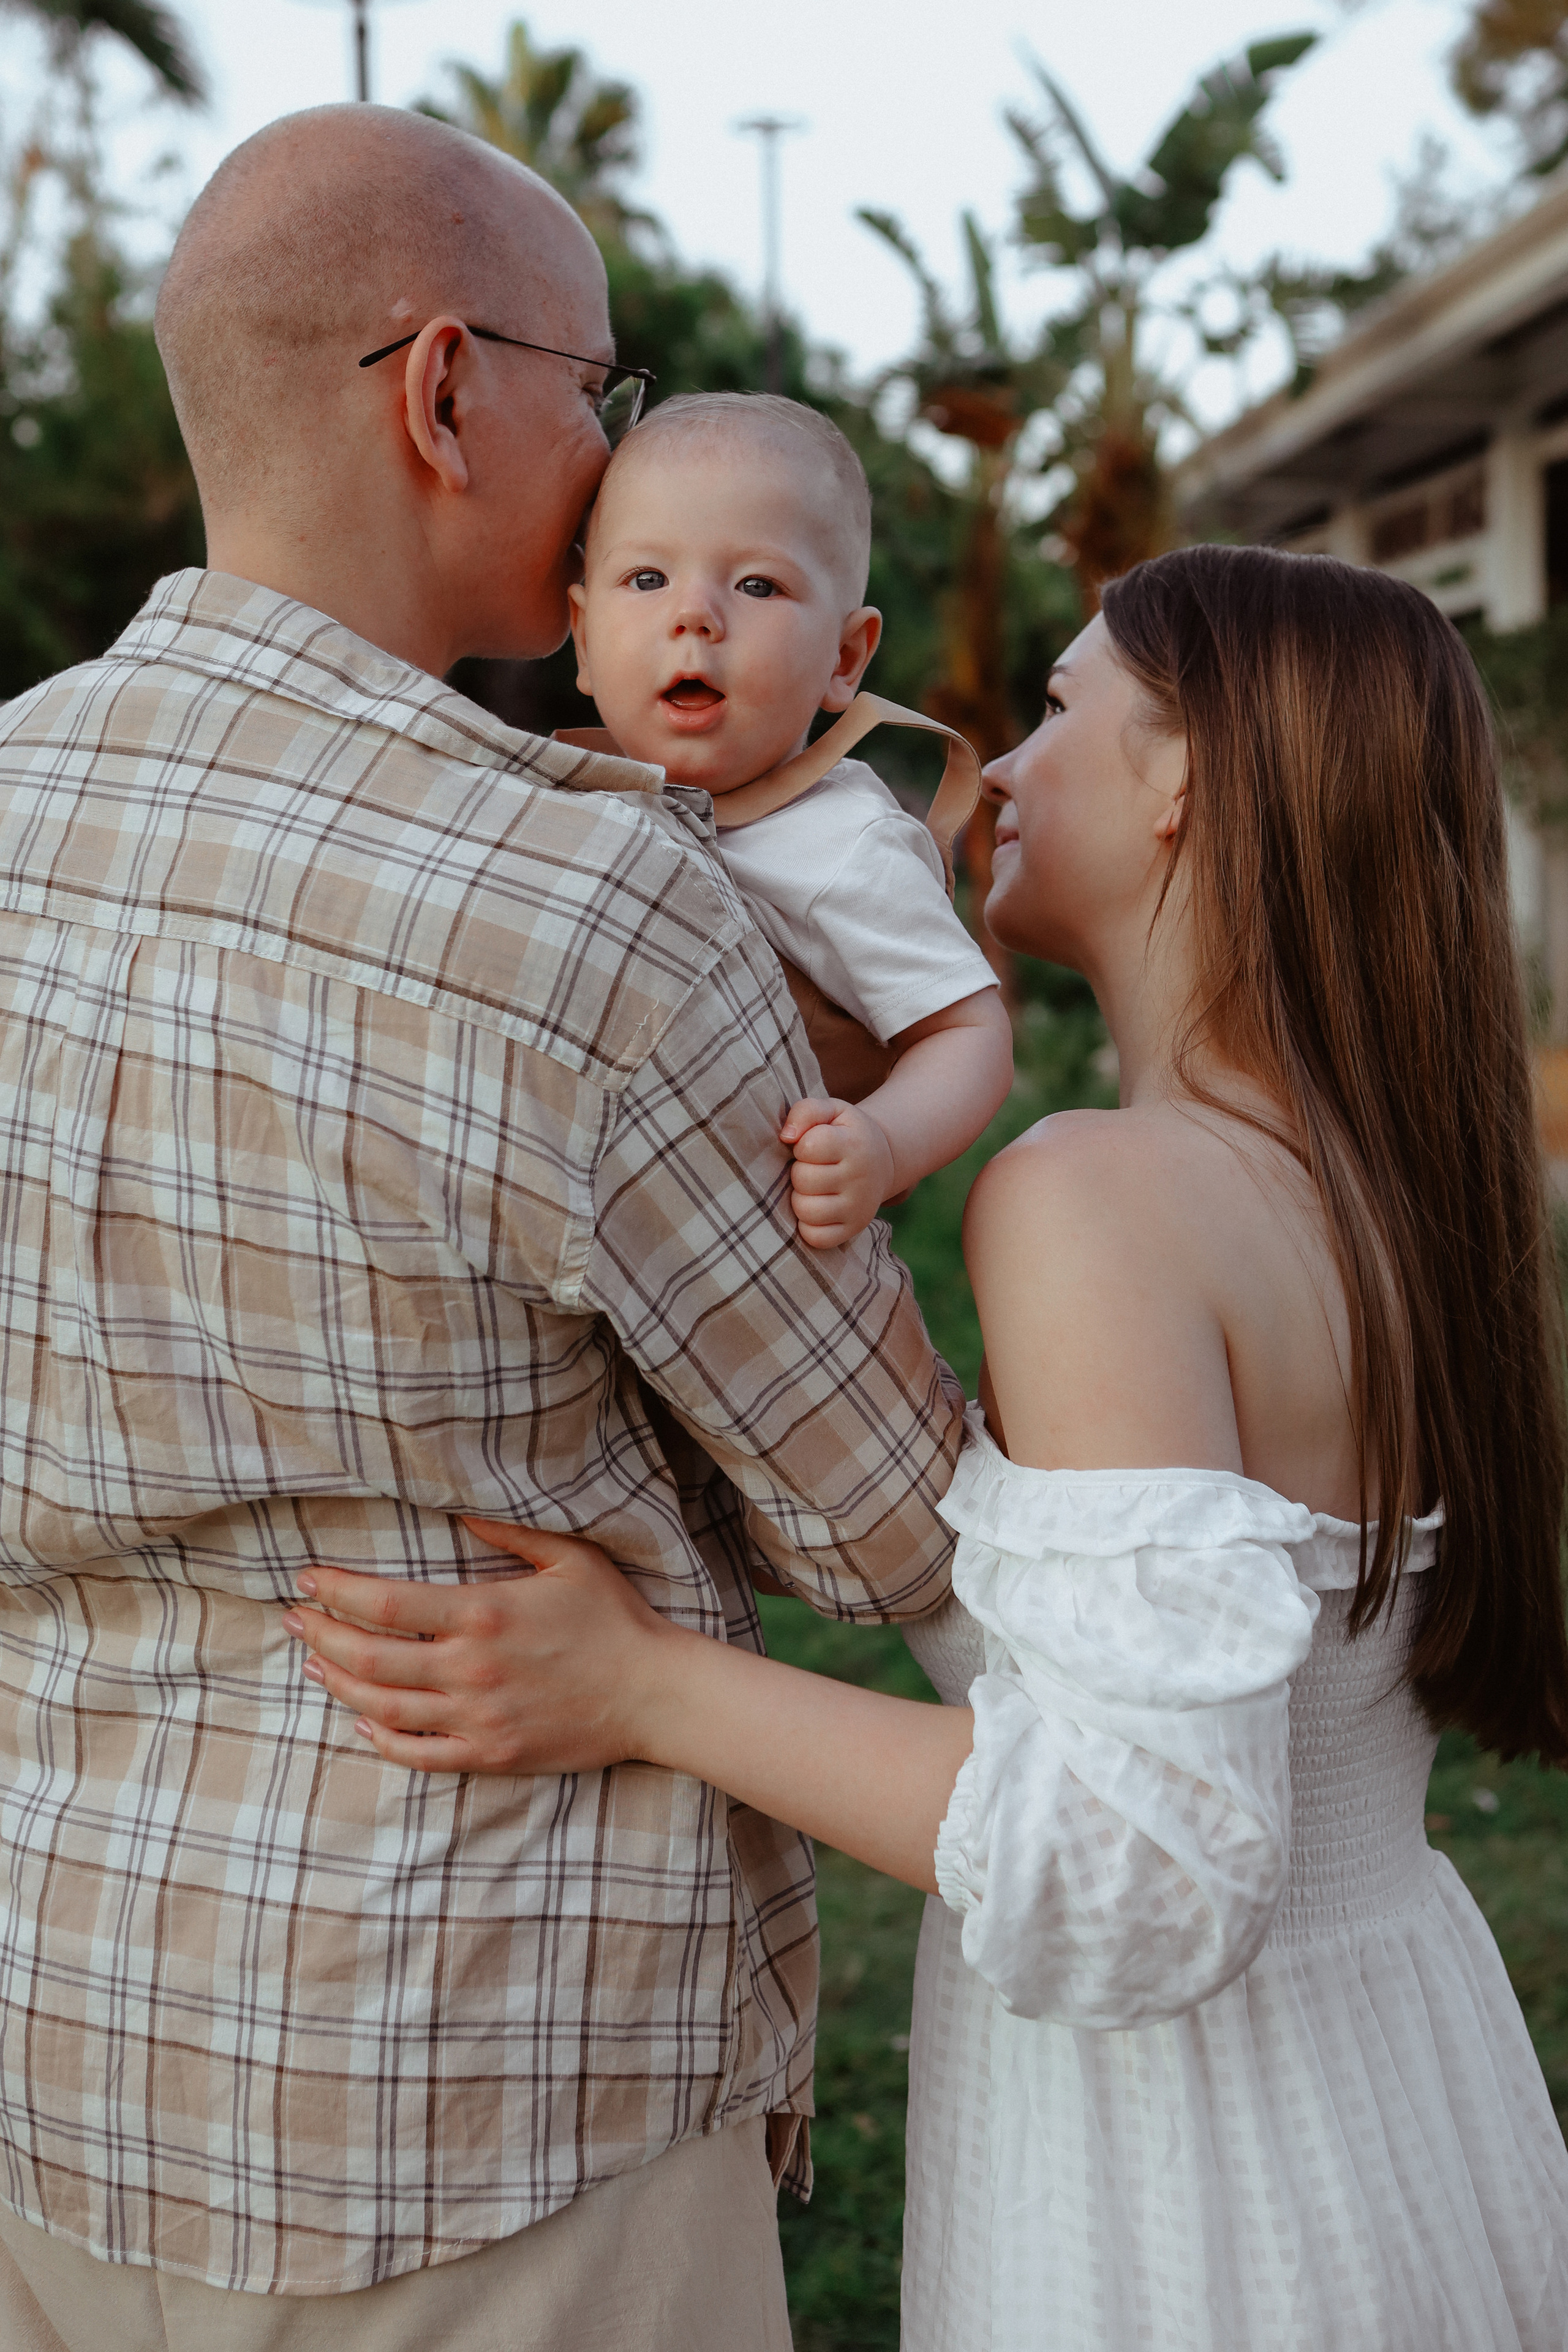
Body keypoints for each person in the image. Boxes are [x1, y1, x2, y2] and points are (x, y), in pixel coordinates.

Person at [293, 545, 1568, 2351]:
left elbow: (1141, 1864)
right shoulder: (1377, 1196)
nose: (1002, 770)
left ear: (1187, 775)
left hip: (1190, 2175)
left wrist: (639, 1687)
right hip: (1405, 2086)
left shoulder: (1098, 1197)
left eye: (1057, 713)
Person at [0, 104, 966, 2352]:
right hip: (489, 2099)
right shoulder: (576, 899)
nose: (619, 452)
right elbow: (881, 1517)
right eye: (598, 389)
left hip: (55, 2052)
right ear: (447, 391)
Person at [566, 390, 1011, 1247]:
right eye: (648, 578)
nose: (694, 615)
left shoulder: (843, 844)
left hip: (755, 1249)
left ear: (844, 660)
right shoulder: (570, 799)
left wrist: (883, 1144)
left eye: (758, 584)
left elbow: (970, 1029)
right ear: (584, 640)